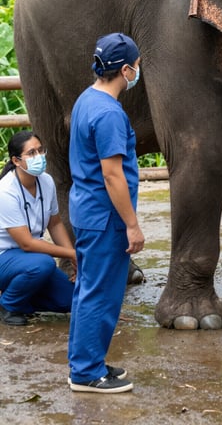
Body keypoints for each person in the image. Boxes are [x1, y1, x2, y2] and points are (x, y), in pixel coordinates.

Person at [67, 32, 144, 394]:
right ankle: (85, 373)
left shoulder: (87, 99)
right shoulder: (109, 113)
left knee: (87, 291)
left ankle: (88, 362)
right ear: (126, 70)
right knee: (100, 295)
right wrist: (132, 224)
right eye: (137, 66)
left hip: (86, 211)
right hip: (105, 218)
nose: (139, 71)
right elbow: (113, 174)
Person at [0, 130, 76, 326]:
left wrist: (71, 255)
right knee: (43, 264)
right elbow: (26, 243)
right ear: (16, 161)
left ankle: (19, 298)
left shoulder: (46, 181)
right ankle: (8, 304)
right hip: (6, 256)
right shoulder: (6, 191)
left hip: (27, 259)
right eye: (31, 153)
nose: (39, 157)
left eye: (41, 150)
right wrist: (72, 254)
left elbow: (55, 223)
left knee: (70, 300)